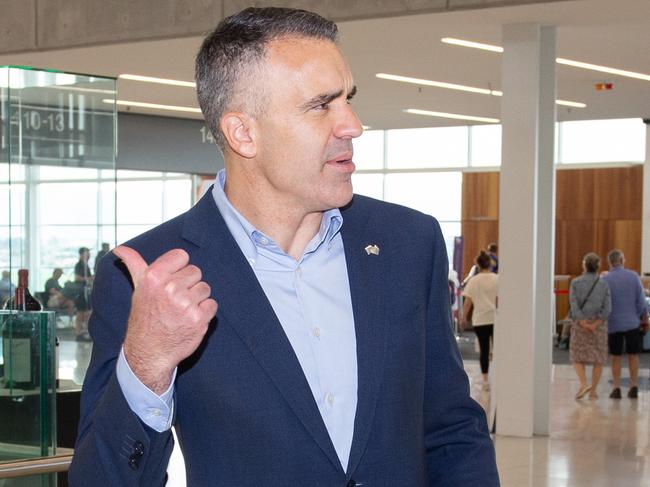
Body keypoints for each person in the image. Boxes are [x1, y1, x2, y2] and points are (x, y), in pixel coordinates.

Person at [69, 8, 499, 486]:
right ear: (243, 133)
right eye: (322, 105)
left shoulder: (406, 243)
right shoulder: (151, 276)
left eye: (348, 99)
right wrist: (146, 365)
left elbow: (452, 430)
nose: (352, 125)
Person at [602, 249, 648, 399]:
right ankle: (633, 386)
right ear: (622, 260)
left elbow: (603, 303)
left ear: (609, 262)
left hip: (613, 323)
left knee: (615, 356)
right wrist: (644, 318)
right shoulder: (633, 277)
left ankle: (616, 388)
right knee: (633, 355)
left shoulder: (605, 280)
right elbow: (641, 301)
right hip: (632, 323)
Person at [568, 253, 611, 400]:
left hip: (581, 325)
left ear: (585, 265)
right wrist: (596, 324)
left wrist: (582, 322)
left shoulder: (575, 283)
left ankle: (583, 383)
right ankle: (593, 391)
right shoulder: (604, 284)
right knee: (598, 358)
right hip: (599, 327)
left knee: (576, 356)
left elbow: (573, 304)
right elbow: (607, 308)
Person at [461, 251, 498, 389]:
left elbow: (467, 302)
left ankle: (485, 381)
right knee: (497, 349)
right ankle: (499, 376)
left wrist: (464, 317)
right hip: (495, 318)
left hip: (480, 319)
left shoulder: (474, 281)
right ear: (490, 263)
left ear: (478, 264)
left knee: (484, 349)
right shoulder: (497, 278)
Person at [74, 247, 93, 341]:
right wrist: (88, 279)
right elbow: (77, 278)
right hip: (80, 291)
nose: (89, 255)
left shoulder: (86, 265)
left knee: (86, 312)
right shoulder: (79, 265)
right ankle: (78, 334)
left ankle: (84, 332)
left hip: (86, 291)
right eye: (87, 253)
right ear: (81, 255)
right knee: (80, 313)